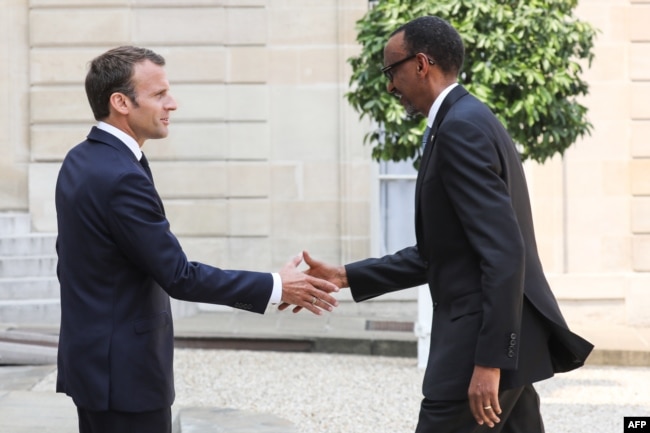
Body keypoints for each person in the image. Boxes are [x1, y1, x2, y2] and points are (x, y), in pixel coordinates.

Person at [282, 16, 593, 433]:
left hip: (477, 350)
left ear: (421, 64)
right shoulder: (465, 119)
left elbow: (504, 252)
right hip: (505, 340)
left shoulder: (460, 127)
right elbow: (440, 253)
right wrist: (343, 276)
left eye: (392, 70)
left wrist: (489, 362)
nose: (390, 85)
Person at [54, 45, 339, 433]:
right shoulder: (120, 175)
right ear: (120, 102)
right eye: (159, 94)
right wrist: (275, 287)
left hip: (93, 365)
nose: (173, 104)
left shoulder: (81, 158)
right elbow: (179, 276)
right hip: (124, 377)